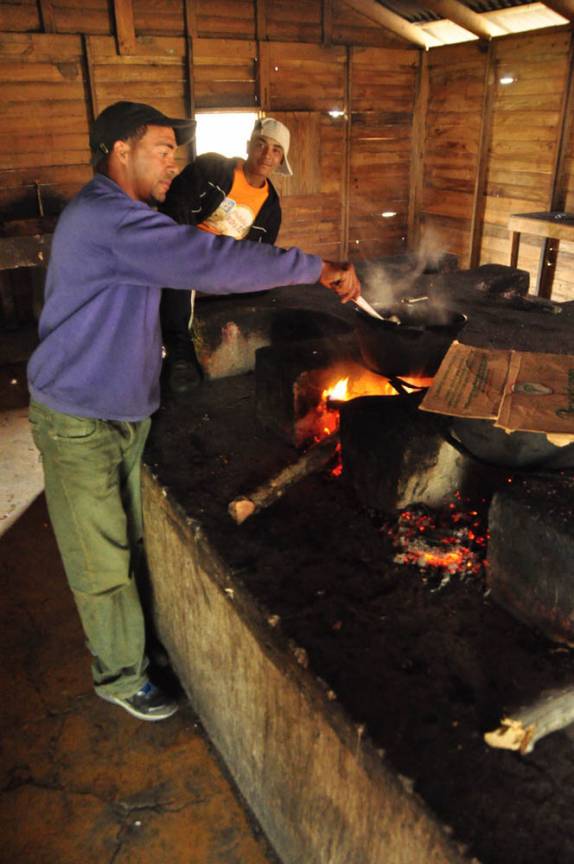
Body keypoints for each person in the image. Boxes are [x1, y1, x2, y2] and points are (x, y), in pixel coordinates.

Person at [26, 101, 361, 722]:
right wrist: (318, 267)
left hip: (121, 410)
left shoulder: (132, 214)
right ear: (119, 152)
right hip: (79, 417)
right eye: (161, 149)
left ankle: (135, 645)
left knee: (125, 541)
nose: (173, 161)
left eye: (174, 149)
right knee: (100, 562)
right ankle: (122, 677)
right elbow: (209, 259)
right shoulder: (108, 218)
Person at [160, 116, 292, 393]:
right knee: (177, 279)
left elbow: (259, 254)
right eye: (261, 144)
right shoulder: (212, 169)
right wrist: (189, 250)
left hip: (223, 265)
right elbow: (176, 206)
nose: (267, 155)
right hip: (184, 250)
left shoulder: (271, 209)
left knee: (265, 292)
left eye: (276, 150)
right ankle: (180, 359)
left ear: (281, 160)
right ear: (248, 145)